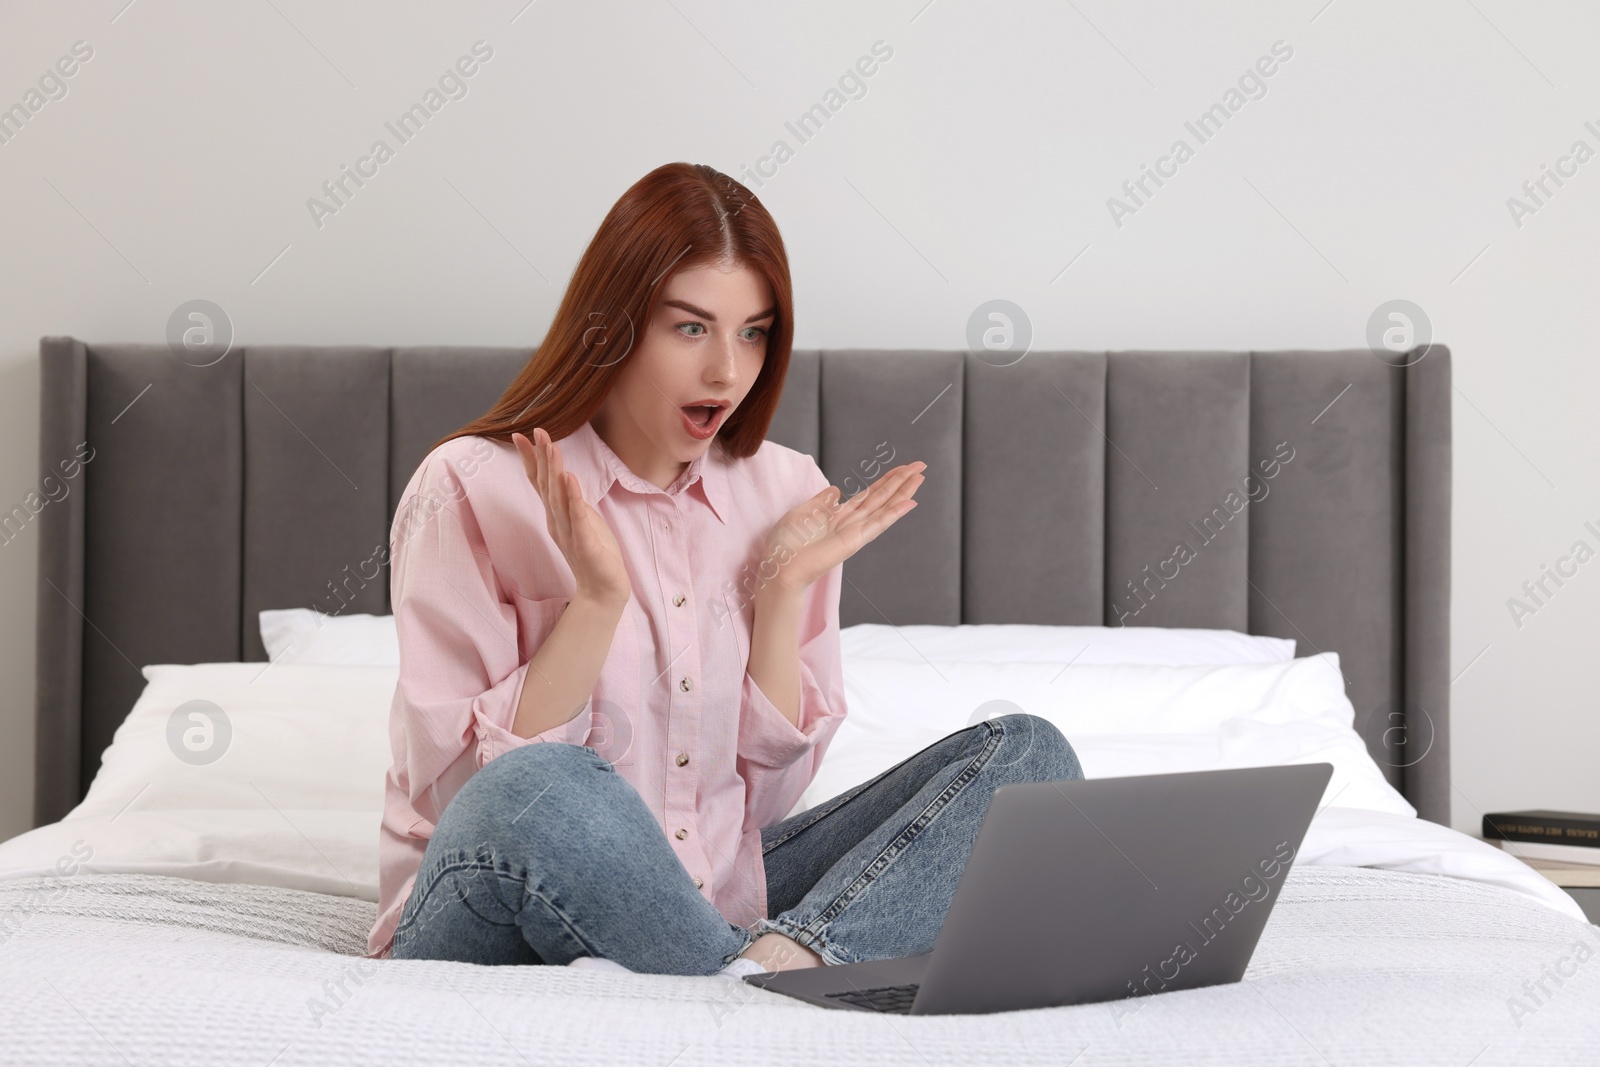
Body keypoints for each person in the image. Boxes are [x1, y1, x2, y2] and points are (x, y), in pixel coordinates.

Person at [369, 161, 1083, 975]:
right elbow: (467, 793)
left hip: (710, 903)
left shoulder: (785, 492)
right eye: (691, 328)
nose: (728, 372)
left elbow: (759, 812)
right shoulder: (468, 484)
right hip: (485, 901)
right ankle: (752, 990)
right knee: (553, 786)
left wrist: (780, 596)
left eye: (754, 331)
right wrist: (596, 603)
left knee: (1029, 759)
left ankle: (773, 973)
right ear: (612, 326)